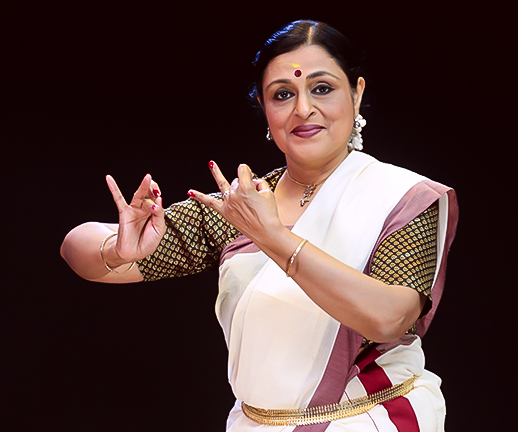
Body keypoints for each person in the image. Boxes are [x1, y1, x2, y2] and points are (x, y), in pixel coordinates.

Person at [61, 20, 458, 432]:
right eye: (283, 94)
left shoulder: (400, 198)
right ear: (263, 107)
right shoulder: (242, 205)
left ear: (356, 94)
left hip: (371, 420)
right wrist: (115, 251)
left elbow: (389, 318)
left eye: (322, 88)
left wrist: (274, 237)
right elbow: (76, 249)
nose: (303, 109)